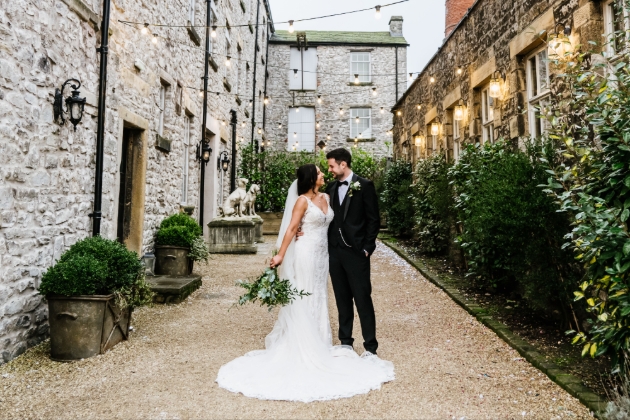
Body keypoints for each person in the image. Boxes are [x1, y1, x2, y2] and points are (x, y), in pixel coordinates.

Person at [216, 163, 394, 402]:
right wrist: (280, 254)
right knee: (305, 294)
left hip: (323, 255)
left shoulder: (327, 196)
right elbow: (291, 228)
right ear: (311, 178)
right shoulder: (301, 201)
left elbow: (337, 223)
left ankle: (320, 341)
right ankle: (303, 346)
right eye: (320, 172)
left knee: (319, 294)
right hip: (305, 253)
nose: (323, 174)